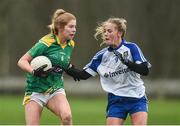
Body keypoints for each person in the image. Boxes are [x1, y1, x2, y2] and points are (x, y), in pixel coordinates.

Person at [60, 17, 151, 125]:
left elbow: (144, 70)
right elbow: (83, 75)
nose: (106, 34)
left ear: (120, 33)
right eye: (104, 31)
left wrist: (127, 62)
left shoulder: (131, 48)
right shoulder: (101, 56)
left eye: (109, 31)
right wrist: (63, 65)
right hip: (116, 100)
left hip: (137, 97)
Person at [17, 9, 77, 125]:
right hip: (35, 91)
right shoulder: (46, 42)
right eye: (71, 26)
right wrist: (34, 71)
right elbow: (22, 61)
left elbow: (61, 62)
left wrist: (70, 68)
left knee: (67, 117)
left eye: (75, 27)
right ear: (60, 27)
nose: (74, 30)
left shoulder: (71, 44)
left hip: (55, 89)